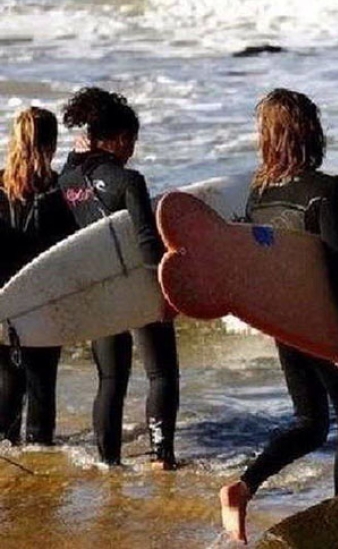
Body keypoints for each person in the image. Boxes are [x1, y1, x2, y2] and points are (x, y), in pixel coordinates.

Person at [220, 89, 338, 543]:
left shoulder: (258, 194)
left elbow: (255, 264)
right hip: (323, 321)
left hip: (286, 324)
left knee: (310, 423)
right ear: (310, 131)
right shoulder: (325, 188)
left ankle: (243, 486)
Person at [57, 87, 179, 469]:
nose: (132, 151)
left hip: (97, 287)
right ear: (120, 139)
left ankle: (108, 462)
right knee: (161, 375)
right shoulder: (129, 180)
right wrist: (165, 290)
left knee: (110, 379)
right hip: (135, 286)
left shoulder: (66, 180)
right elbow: (146, 242)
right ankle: (162, 456)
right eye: (132, 142)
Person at [0, 106, 76, 445]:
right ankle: (40, 449)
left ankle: (7, 451)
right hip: (45, 296)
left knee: (8, 381)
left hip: (3, 297)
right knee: (42, 384)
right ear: (53, 143)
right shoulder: (60, 190)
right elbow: (73, 246)